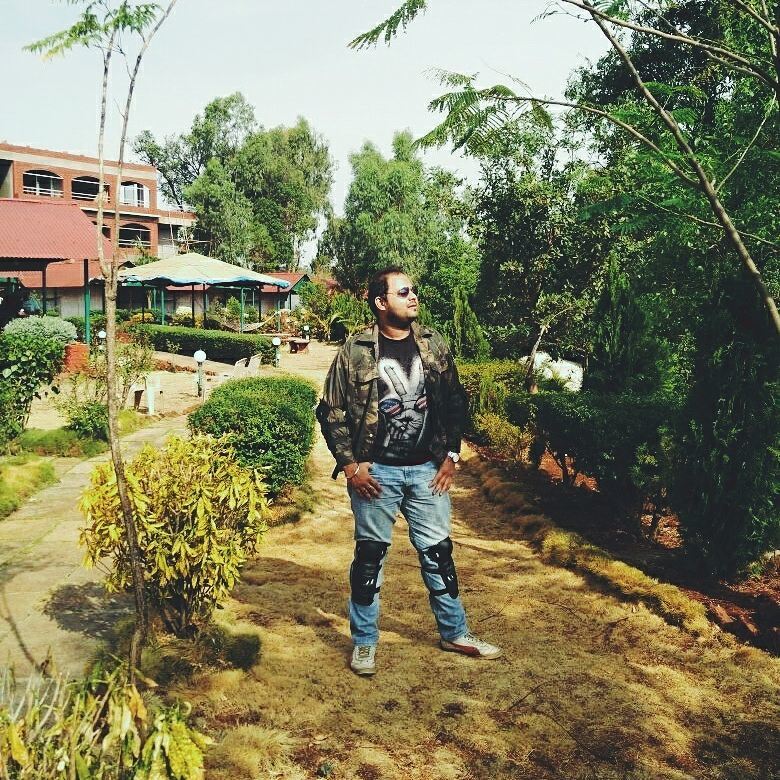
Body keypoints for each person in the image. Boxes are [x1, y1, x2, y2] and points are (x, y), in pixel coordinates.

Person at [317, 266, 502, 676]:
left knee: (439, 555)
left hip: (426, 471)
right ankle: (365, 643)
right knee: (370, 559)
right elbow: (331, 411)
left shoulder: (433, 344)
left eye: (413, 290)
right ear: (381, 302)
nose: (413, 296)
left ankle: (455, 633)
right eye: (403, 292)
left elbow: (455, 401)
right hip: (376, 475)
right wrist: (350, 466)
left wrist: (452, 455)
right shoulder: (355, 350)